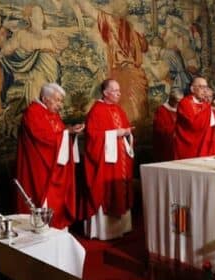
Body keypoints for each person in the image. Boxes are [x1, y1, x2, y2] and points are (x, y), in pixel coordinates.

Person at [16, 83, 84, 229]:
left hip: (55, 167)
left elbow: (57, 134)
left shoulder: (52, 114)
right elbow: (43, 139)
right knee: (42, 202)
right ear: (45, 98)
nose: (60, 105)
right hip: (40, 168)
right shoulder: (33, 112)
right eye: (57, 100)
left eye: (61, 101)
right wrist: (68, 133)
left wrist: (69, 132)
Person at [84, 79, 135, 239]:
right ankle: (105, 232)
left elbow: (125, 131)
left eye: (119, 90)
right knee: (108, 190)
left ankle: (122, 228)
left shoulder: (119, 110)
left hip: (121, 159)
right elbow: (92, 137)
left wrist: (127, 133)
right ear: (105, 92)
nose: (119, 93)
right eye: (115, 90)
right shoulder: (96, 111)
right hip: (106, 163)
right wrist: (115, 134)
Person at [173, 77, 215, 159]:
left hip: (205, 148)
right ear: (192, 89)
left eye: (206, 87)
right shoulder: (185, 103)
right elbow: (194, 124)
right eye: (202, 87)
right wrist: (212, 107)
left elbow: (209, 128)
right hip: (189, 150)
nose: (205, 90)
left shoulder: (205, 104)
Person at [153, 89, 183, 162]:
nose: (178, 104)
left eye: (180, 102)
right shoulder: (161, 110)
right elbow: (159, 128)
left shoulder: (181, 109)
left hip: (179, 144)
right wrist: (176, 131)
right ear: (171, 99)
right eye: (177, 101)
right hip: (166, 146)